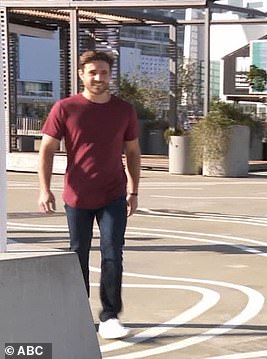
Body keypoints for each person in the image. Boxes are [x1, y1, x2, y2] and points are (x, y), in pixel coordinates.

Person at [37, 50, 141, 340]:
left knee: (112, 253)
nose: (99, 77)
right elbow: (46, 150)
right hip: (77, 194)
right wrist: (44, 189)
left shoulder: (124, 110)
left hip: (114, 194)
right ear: (82, 74)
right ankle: (78, 313)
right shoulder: (65, 108)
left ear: (110, 75)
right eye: (93, 72)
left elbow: (132, 152)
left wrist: (134, 190)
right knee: (77, 254)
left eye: (104, 72)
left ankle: (110, 317)